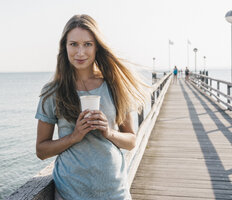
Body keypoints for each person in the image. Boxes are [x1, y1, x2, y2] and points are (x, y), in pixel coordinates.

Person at [35, 14, 149, 200]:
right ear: (64, 47)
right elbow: (41, 150)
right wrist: (75, 136)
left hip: (115, 193)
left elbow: (131, 141)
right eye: (74, 44)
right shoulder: (52, 92)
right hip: (70, 194)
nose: (80, 52)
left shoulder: (115, 86)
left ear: (97, 47)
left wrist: (108, 132)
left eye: (87, 44)